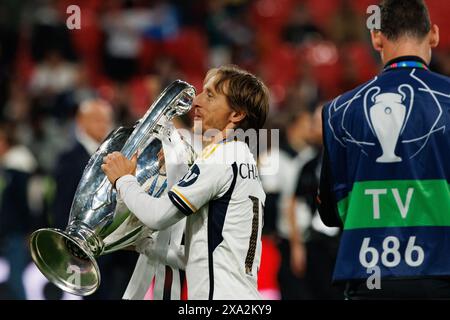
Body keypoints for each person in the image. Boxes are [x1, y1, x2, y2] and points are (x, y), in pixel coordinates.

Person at [318, 0, 450, 299]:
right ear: (434, 35)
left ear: (376, 37)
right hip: (442, 275)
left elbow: (330, 210)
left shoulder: (339, 110)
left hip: (370, 278)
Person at [101, 65, 269, 300]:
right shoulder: (243, 160)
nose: (197, 102)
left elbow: (159, 216)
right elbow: (199, 257)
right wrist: (143, 244)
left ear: (237, 114)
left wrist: (123, 178)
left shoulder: (223, 157)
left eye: (210, 95)